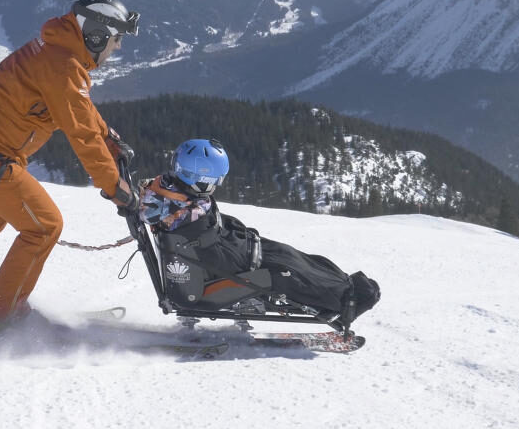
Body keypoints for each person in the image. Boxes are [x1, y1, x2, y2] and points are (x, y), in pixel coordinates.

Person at [0, 0, 141, 330]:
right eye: (117, 38)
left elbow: (78, 107)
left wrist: (107, 133)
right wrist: (115, 187)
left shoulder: (60, 56)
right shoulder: (62, 65)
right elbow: (82, 136)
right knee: (44, 226)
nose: (118, 47)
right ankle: (3, 316)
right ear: (96, 34)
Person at [139, 139, 380, 327]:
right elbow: (207, 246)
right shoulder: (184, 208)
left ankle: (344, 285)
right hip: (223, 271)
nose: (215, 186)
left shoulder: (168, 193)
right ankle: (345, 299)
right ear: (197, 178)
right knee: (287, 271)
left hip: (227, 252)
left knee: (289, 255)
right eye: (212, 181)